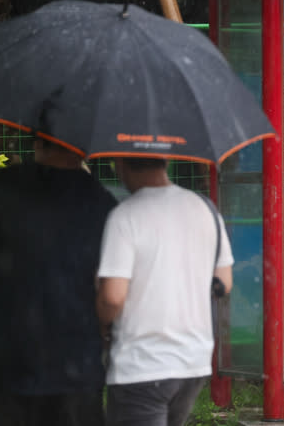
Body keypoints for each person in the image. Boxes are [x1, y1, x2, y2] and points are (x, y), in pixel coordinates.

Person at [0, 137, 118, 426]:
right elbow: (106, 290)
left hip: (7, 363)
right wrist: (104, 336)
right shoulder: (101, 201)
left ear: (37, 139)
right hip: (78, 368)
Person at [96, 157, 234, 426]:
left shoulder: (125, 215)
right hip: (193, 362)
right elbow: (223, 283)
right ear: (166, 162)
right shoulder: (205, 209)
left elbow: (112, 297)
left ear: (120, 165)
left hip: (143, 364)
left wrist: (101, 324)